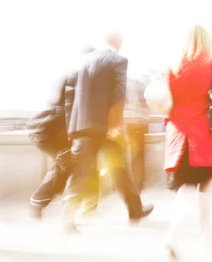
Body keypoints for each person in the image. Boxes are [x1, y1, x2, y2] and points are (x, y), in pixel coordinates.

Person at [63, 31, 153, 231]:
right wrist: (115, 127)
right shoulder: (118, 60)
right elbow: (118, 95)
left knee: (80, 173)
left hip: (82, 127)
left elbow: (69, 97)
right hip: (105, 128)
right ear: (117, 42)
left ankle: (69, 218)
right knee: (120, 169)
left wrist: (73, 129)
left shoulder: (81, 61)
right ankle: (135, 211)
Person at [164, 24, 212, 259]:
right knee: (203, 186)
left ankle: (185, 237)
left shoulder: (173, 66)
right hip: (201, 136)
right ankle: (191, 236)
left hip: (178, 135)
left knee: (185, 187)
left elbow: (166, 101)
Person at [28, 45, 99, 219]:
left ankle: (85, 205)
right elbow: (68, 108)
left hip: (50, 129)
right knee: (68, 165)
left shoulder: (73, 75)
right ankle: (40, 203)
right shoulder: (78, 78)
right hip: (56, 131)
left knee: (69, 165)